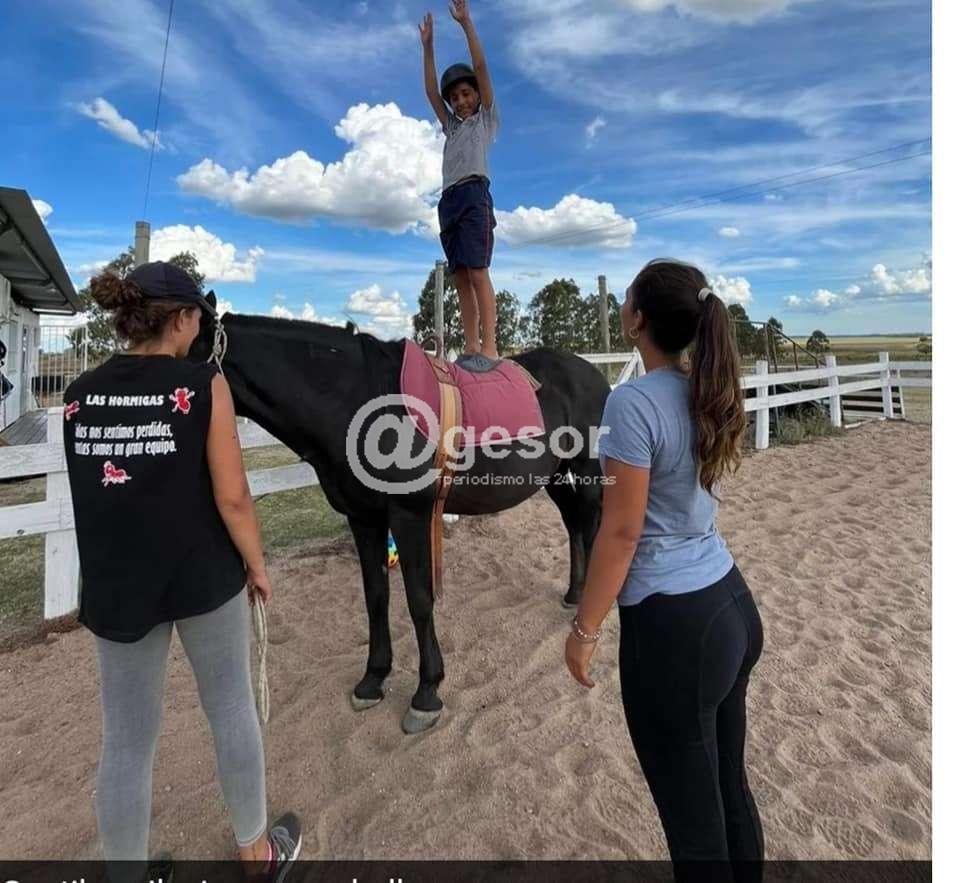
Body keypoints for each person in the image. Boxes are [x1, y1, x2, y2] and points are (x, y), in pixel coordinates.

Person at [62, 261, 301, 881]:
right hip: (202, 578)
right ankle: (256, 855)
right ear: (182, 319)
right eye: (199, 317)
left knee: (125, 741)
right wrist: (257, 564)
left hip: (118, 585)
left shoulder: (78, 395)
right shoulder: (203, 385)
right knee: (231, 709)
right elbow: (233, 496)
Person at [564, 259, 764, 882]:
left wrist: (584, 629)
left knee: (695, 829)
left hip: (676, 629)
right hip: (730, 602)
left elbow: (621, 533)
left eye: (626, 297)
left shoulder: (631, 402)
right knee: (729, 789)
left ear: (637, 321)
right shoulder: (703, 386)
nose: (622, 305)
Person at [420, 0, 500, 367]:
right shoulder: (451, 127)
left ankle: (490, 346)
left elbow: (480, 67)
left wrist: (466, 23)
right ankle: (470, 345)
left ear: (478, 95)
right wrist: (428, 47)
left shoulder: (484, 119)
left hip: (473, 195)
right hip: (449, 200)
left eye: (466, 93)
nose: (460, 101)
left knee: (478, 271)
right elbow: (430, 93)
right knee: (461, 276)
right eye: (454, 97)